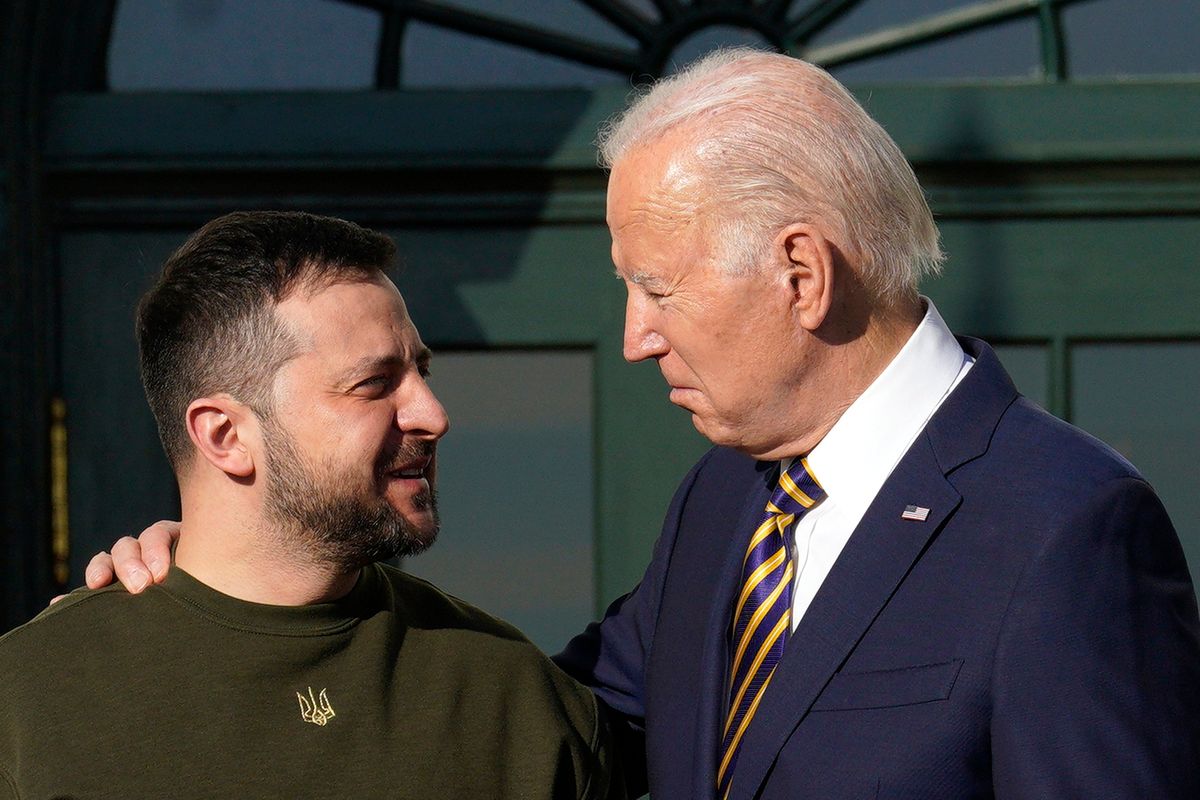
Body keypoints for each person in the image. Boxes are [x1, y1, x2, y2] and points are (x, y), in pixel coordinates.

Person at [85, 50, 1200, 799]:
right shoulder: (727, 499)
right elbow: (521, 726)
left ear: (801, 274)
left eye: (656, 289)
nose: (635, 337)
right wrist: (237, 582)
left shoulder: (1067, 532)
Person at [2, 211, 616, 799]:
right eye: (373, 384)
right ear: (225, 435)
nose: (433, 415)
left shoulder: (512, 694)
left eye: (421, 373)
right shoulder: (31, 700)